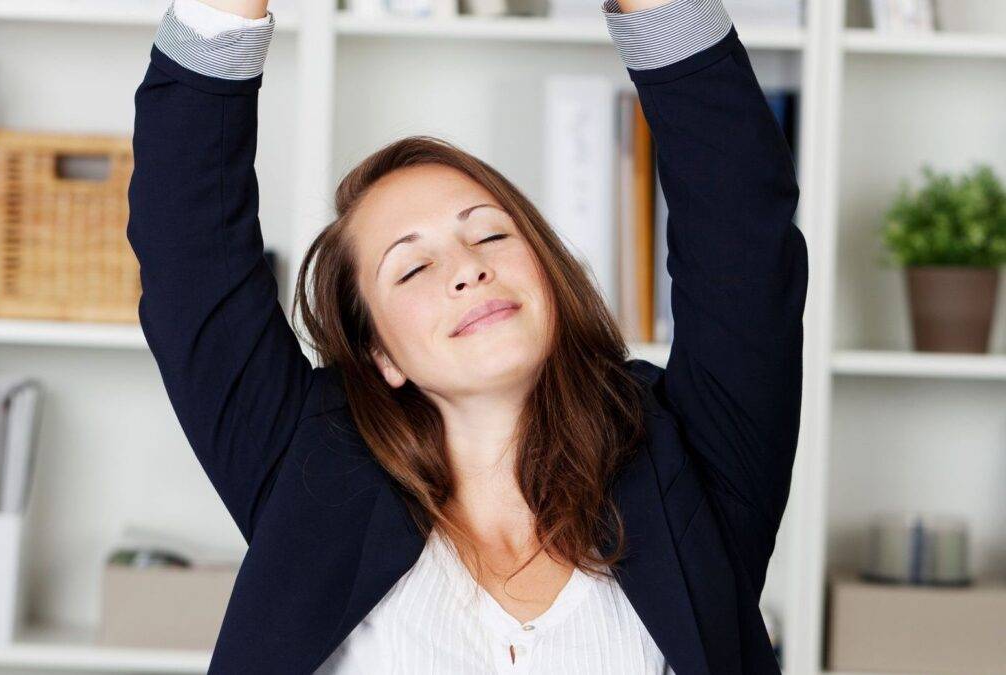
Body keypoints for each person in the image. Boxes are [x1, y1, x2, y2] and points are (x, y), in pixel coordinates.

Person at [126, 0, 808, 672]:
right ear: (381, 353)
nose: (468, 269)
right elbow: (191, 253)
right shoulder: (308, 468)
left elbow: (741, 232)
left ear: (548, 273)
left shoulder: (690, 460)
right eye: (414, 267)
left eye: (489, 233)